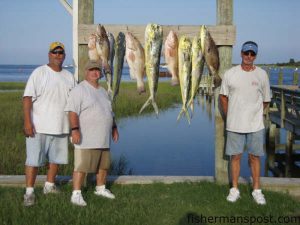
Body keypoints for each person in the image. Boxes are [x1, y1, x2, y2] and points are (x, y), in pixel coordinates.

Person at [23, 42, 76, 206]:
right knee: (33, 160)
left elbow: (75, 102)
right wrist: (27, 122)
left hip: (61, 127)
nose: (58, 55)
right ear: (49, 54)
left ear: (64, 56)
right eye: (55, 52)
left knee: (56, 159)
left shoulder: (69, 76)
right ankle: (29, 193)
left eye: (61, 52)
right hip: (39, 127)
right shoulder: (39, 73)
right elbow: (27, 98)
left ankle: (49, 185)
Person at [219, 41, 271, 205]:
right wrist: (230, 114)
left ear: (255, 56)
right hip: (234, 124)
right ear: (241, 54)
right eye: (246, 53)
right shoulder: (230, 74)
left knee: (255, 157)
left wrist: (256, 114)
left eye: (252, 54)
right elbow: (223, 96)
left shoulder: (262, 74)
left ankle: (256, 190)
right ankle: (234, 189)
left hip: (255, 125)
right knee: (235, 157)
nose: (249, 56)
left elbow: (266, 100)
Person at [65, 60, 119, 207]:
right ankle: (76, 194)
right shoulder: (79, 90)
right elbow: (72, 112)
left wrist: (114, 127)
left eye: (97, 70)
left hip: (103, 138)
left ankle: (100, 188)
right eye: (91, 70)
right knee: (81, 166)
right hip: (86, 138)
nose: (95, 72)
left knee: (103, 165)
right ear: (86, 72)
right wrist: (75, 130)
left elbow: (110, 112)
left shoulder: (103, 91)